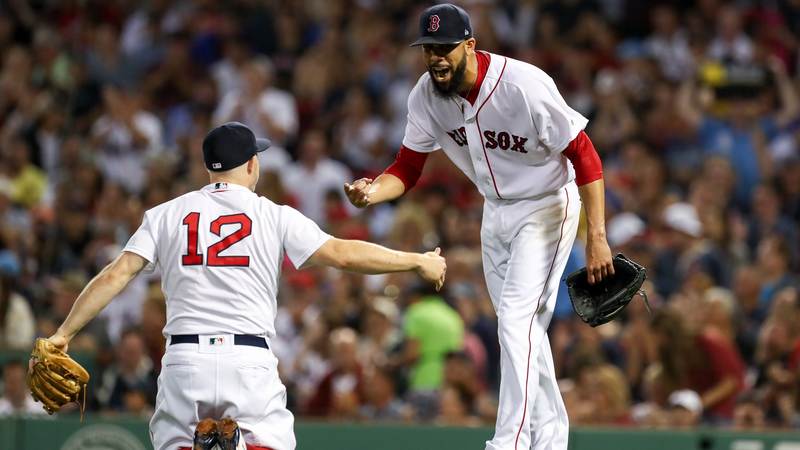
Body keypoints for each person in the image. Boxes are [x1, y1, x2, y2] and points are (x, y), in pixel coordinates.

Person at [30, 122, 446, 450]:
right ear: (251, 165)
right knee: (270, 441)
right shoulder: (273, 213)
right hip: (248, 359)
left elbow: (114, 275)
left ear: (209, 167)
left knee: (172, 441)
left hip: (184, 357)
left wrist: (63, 333)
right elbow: (343, 255)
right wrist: (416, 261)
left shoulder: (165, 213)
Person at [343, 4, 613, 450]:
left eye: (445, 48)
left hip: (547, 204)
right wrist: (373, 192)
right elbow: (408, 167)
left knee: (516, 319)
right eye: (429, 49)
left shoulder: (522, 85)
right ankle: (551, 439)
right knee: (523, 331)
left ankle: (509, 441)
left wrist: (597, 235)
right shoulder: (425, 97)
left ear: (470, 44)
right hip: (496, 211)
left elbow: (583, 153)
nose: (436, 58)